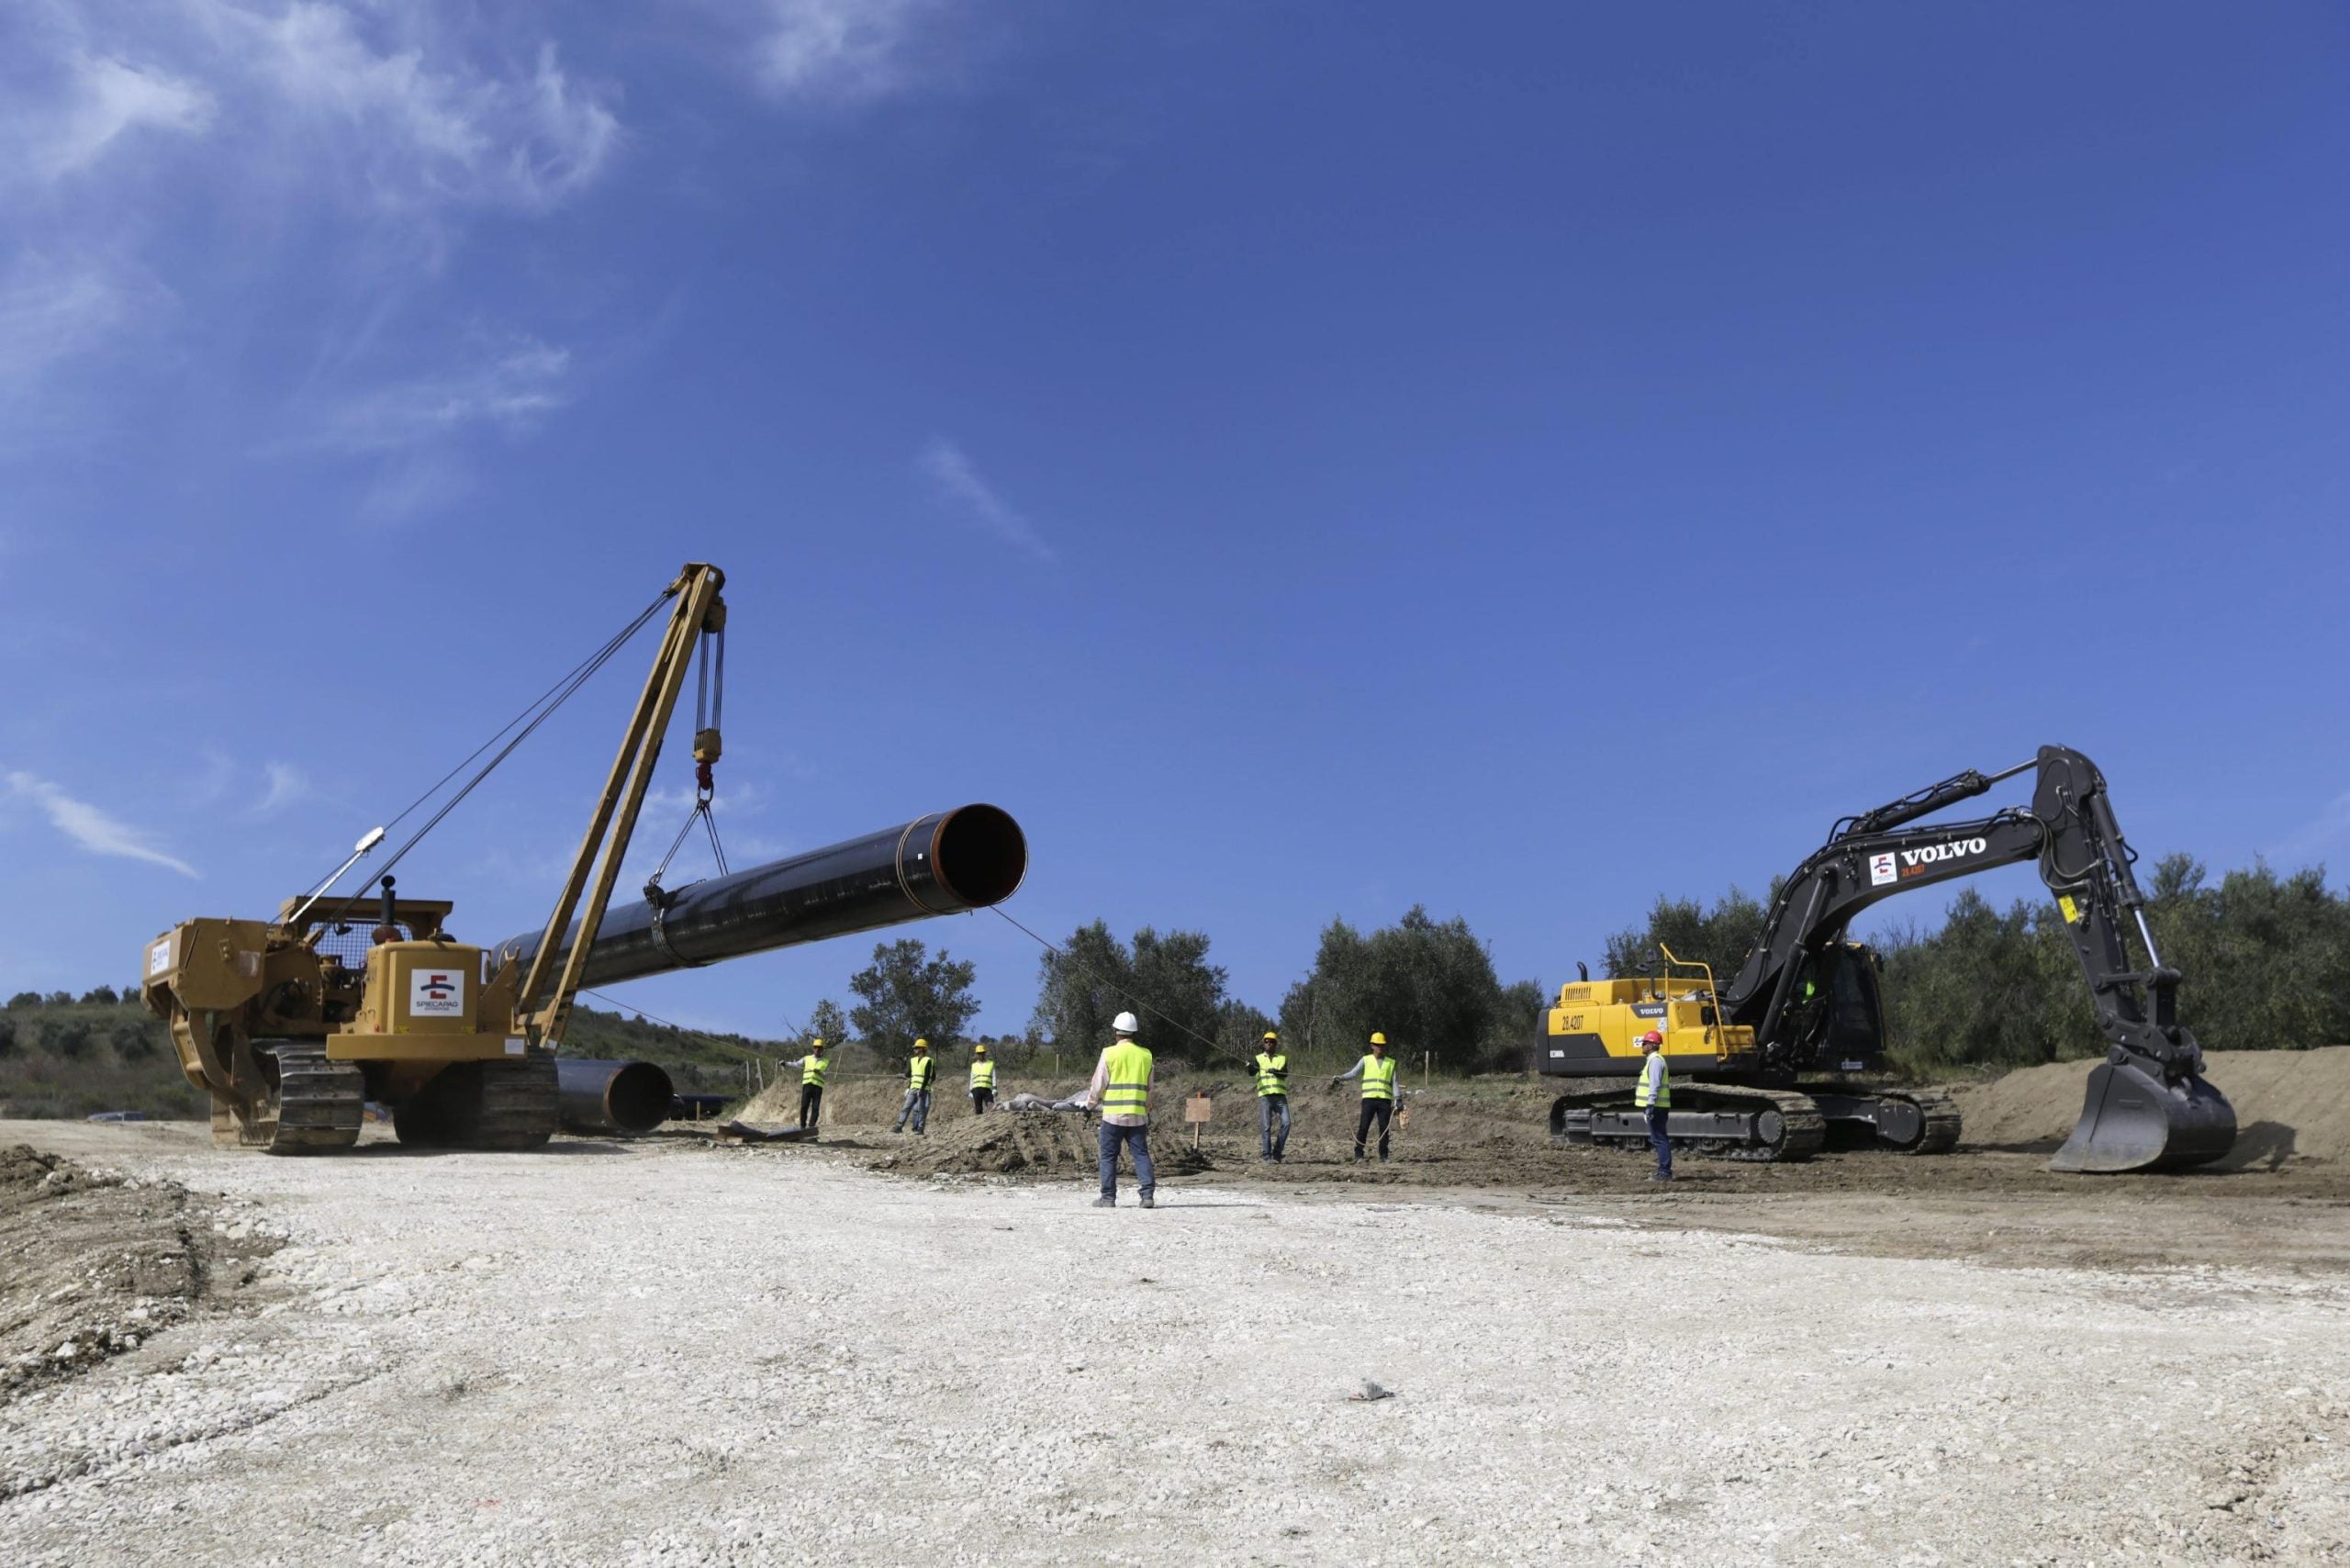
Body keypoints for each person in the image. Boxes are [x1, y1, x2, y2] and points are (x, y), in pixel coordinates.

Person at [1087, 1011, 1155, 1209]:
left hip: (1113, 1116)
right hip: (1138, 1116)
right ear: (1134, 1032)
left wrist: (1090, 1104)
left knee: (1108, 1156)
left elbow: (1098, 1083)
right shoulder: (1146, 1055)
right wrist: (1147, 1108)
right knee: (1141, 1154)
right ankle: (1147, 1196)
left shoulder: (1109, 1053)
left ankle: (1108, 1198)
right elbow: (1150, 1088)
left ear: (1115, 1031)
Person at [1330, 1031, 1400, 1161]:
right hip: (1369, 1099)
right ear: (1372, 1046)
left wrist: (1398, 1098)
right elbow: (1353, 1073)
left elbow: (1394, 1081)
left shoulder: (1390, 1063)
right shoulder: (1365, 1060)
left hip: (1384, 1100)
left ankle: (1384, 1155)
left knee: (1384, 1129)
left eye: (1382, 1045)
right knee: (1364, 1126)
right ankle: (1359, 1154)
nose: (1380, 1047)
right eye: (1377, 1044)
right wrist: (1341, 1077)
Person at [1635, 1029, 1672, 1182]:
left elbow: (1654, 1085)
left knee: (1660, 1139)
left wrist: (1650, 1105)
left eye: (1644, 1043)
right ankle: (1664, 1171)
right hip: (1658, 1106)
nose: (1642, 1046)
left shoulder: (1655, 1061)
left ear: (1651, 1045)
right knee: (1660, 1138)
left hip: (1656, 1106)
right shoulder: (1654, 1060)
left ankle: (1665, 1172)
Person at [1252, 1029, 1292, 1162]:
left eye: (1272, 1042)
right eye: (1267, 1041)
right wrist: (1250, 1067)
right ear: (1263, 1043)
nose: (1269, 1043)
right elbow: (1251, 1072)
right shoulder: (1257, 1059)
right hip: (1265, 1096)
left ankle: (1277, 1153)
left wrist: (1276, 1071)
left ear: (1276, 1044)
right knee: (1266, 1126)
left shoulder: (1282, 1058)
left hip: (1280, 1096)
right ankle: (1267, 1156)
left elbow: (1285, 1073)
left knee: (1287, 1123)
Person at [779, 1037, 830, 1131]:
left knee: (815, 1107)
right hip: (807, 1085)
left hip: (818, 1087)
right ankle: (802, 1126)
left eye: (819, 1047)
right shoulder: (807, 1058)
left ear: (822, 1049)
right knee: (804, 1106)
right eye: (815, 1047)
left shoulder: (825, 1061)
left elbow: (827, 1074)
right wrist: (786, 1064)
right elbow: (796, 1064)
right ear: (813, 1048)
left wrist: (820, 1073)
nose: (817, 1049)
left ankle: (811, 1127)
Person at [891, 1038, 936, 1135]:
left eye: (916, 1048)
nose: (914, 1050)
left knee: (921, 1110)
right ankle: (899, 1126)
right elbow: (908, 1074)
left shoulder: (928, 1061)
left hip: (922, 1089)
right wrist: (901, 1075)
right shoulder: (912, 1060)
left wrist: (923, 1088)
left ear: (922, 1049)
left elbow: (929, 1076)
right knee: (906, 1107)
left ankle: (920, 1129)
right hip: (913, 1088)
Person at [968, 1042, 997, 1115]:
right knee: (978, 1109)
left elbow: (994, 1076)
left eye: (982, 1053)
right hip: (976, 1089)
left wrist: (995, 1088)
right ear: (976, 1054)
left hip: (987, 1089)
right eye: (979, 1053)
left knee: (992, 1108)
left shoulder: (990, 1063)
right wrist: (970, 1091)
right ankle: (979, 1122)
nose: (981, 1055)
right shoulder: (974, 1065)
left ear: (984, 1053)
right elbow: (972, 1079)